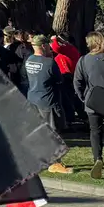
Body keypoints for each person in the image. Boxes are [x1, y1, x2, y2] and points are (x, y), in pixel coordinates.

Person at [24, 35, 73, 173]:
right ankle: (55, 163)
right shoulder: (49, 63)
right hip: (48, 101)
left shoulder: (29, 60)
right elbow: (59, 81)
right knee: (53, 132)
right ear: (44, 46)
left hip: (33, 99)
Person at [76, 32, 104, 180]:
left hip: (92, 102)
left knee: (95, 132)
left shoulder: (83, 60)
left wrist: (84, 98)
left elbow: (78, 82)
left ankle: (97, 159)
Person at [52, 36, 84, 127]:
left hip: (68, 76)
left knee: (70, 98)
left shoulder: (70, 49)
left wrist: (55, 39)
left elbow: (55, 47)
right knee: (69, 97)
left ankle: (75, 117)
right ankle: (76, 116)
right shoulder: (65, 51)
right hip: (64, 76)